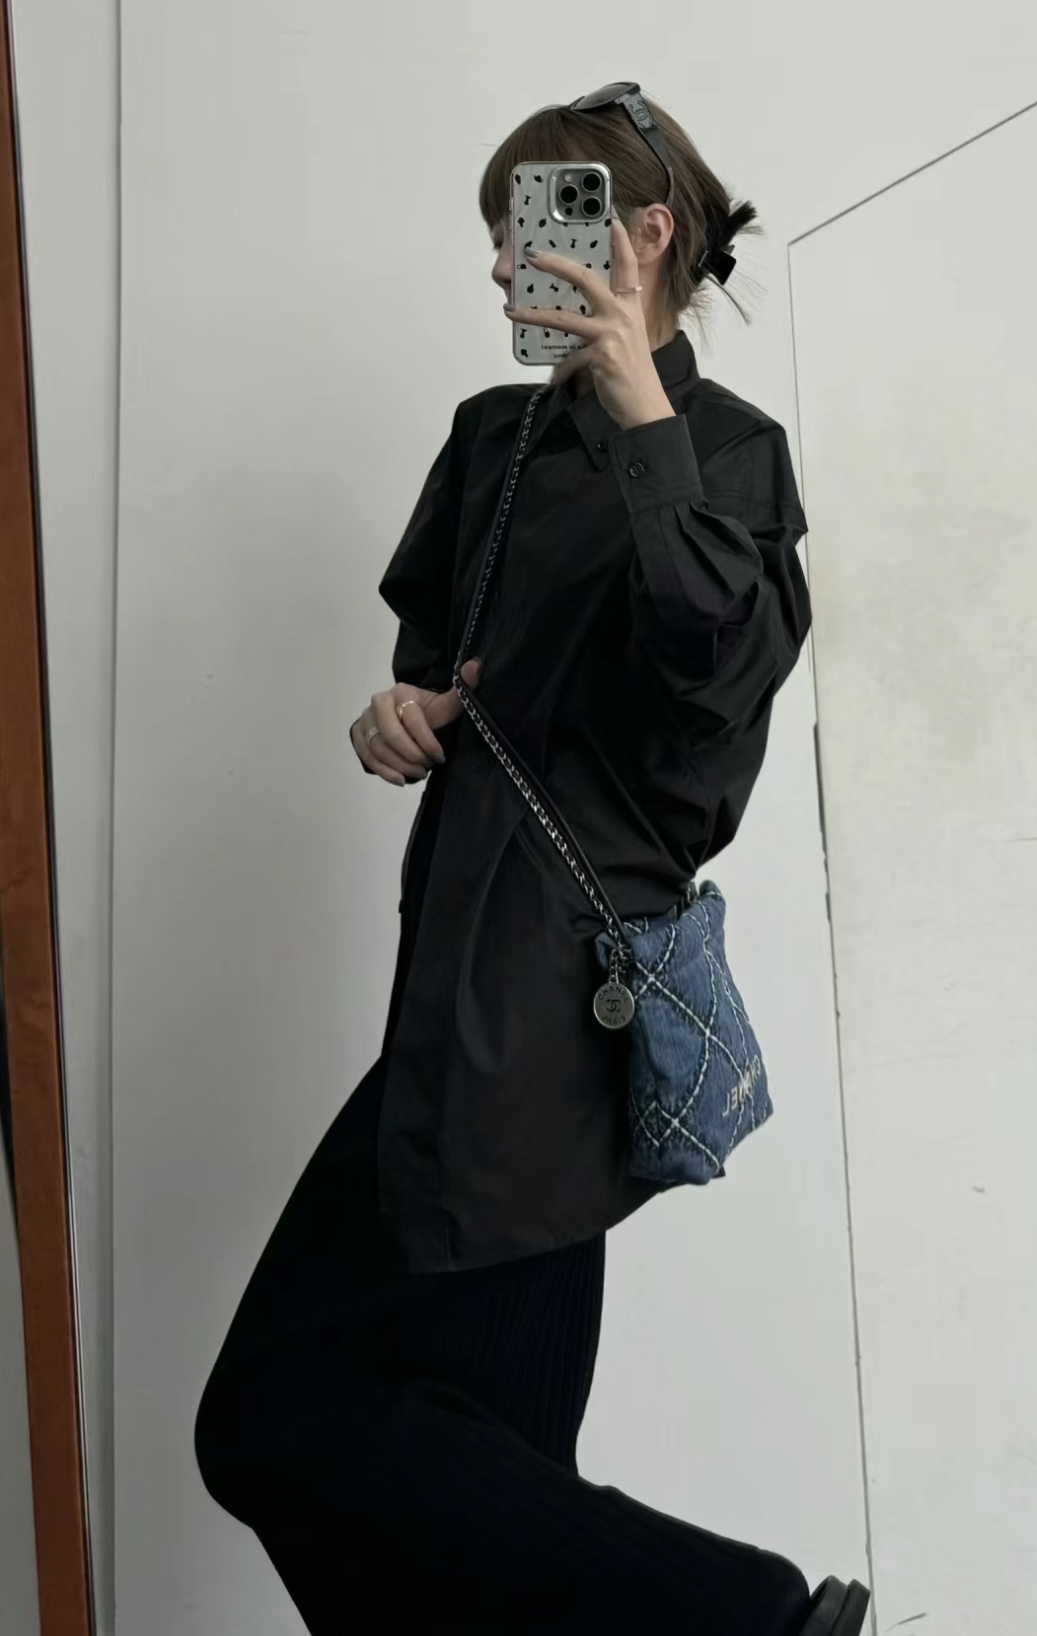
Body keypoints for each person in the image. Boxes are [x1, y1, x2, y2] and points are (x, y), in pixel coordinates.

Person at [193, 84, 870, 1636]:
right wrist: (402, 708)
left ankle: (753, 1616)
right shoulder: (492, 442)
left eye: (537, 228)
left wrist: (639, 413)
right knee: (466, 1487)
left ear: (643, 235)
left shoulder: (731, 455)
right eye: (501, 236)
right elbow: (449, 664)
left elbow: (710, 678)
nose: (507, 264)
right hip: (447, 987)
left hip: (557, 1014)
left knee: (278, 1420)